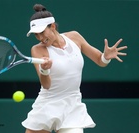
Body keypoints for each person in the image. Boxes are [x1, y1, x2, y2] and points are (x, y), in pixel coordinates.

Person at [22, 3, 127, 133]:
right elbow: (46, 85)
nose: (40, 38)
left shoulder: (74, 37)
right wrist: (45, 70)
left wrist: (106, 57)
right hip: (47, 105)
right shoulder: (37, 50)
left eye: (42, 32)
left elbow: (100, 61)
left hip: (72, 107)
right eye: (36, 35)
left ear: (53, 26)